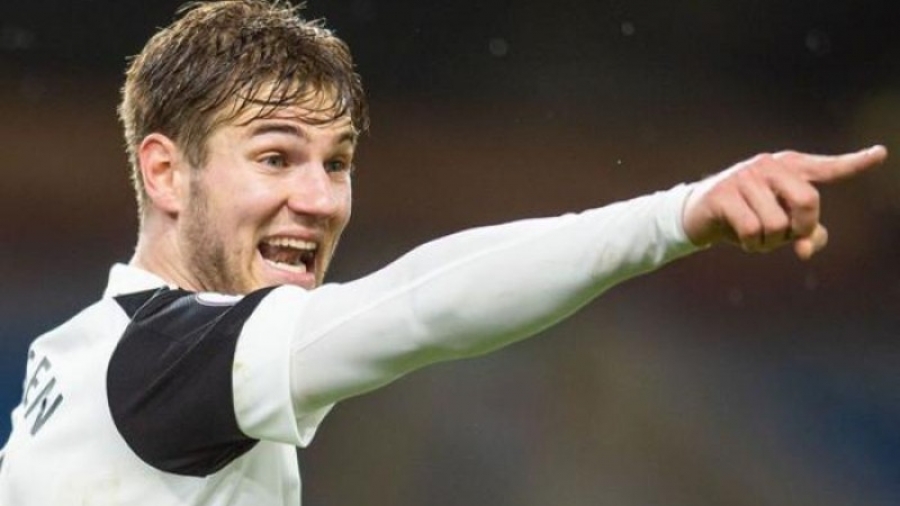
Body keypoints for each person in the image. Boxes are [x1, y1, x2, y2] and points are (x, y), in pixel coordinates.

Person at [0, 0, 887, 505]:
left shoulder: (80, 358)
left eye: (336, 163)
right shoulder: (166, 360)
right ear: (165, 172)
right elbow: (422, 305)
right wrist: (676, 216)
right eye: (274, 158)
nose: (319, 199)